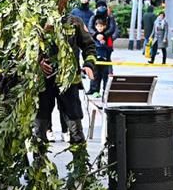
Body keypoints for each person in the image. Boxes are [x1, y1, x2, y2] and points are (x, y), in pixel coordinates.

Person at [34, 14, 98, 163]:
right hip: (44, 84)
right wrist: (38, 62)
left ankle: (80, 165)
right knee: (39, 128)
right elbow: (25, 48)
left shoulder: (74, 21)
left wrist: (89, 65)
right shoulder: (36, 19)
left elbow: (89, 46)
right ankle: (38, 168)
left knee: (75, 127)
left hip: (68, 83)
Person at [88, 16, 114, 95]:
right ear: (95, 26)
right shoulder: (93, 36)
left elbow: (110, 48)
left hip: (105, 60)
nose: (99, 28)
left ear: (104, 26)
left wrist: (104, 45)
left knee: (105, 76)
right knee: (96, 75)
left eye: (101, 26)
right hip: (96, 60)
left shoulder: (107, 36)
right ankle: (95, 90)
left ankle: (105, 91)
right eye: (98, 26)